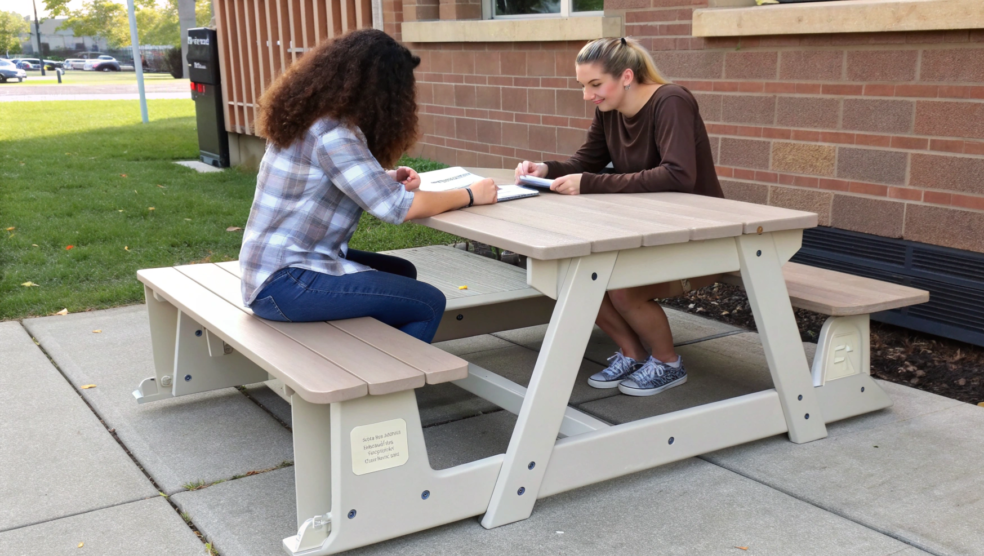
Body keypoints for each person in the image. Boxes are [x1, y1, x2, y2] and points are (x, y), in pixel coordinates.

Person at [239, 29, 498, 343]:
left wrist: (386, 179)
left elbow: (332, 180)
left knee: (401, 272)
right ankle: (393, 370)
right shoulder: (334, 136)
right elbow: (397, 208)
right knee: (428, 303)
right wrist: (470, 195)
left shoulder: (311, 121)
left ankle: (369, 353)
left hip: (271, 270)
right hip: (285, 283)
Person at [515, 36, 723, 397]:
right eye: (583, 86)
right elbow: (585, 162)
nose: (588, 95)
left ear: (626, 76)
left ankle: (668, 363)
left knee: (623, 289)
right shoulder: (609, 109)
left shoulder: (671, 101)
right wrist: (545, 169)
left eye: (595, 84)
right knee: (578, 277)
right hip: (649, 229)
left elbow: (677, 175)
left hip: (701, 234)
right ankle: (633, 353)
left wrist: (589, 183)